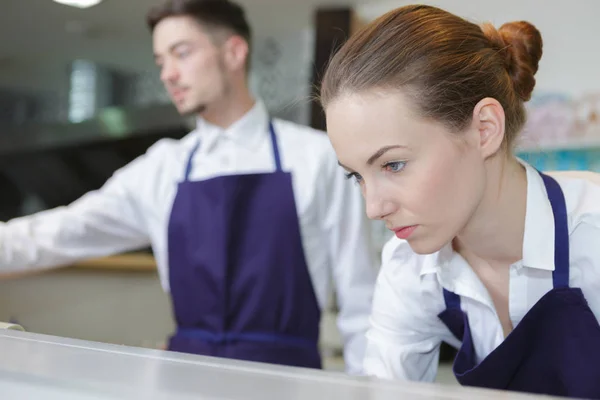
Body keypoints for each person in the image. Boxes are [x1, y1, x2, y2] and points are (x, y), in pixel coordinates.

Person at [0, 0, 378, 374]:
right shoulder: (162, 168)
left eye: (181, 53)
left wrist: (371, 389)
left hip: (288, 381)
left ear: (233, 52)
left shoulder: (318, 159)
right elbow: (58, 232)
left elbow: (361, 301)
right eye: (161, 61)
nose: (167, 74)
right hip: (183, 378)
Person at [318, 4, 600, 398]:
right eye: (356, 176)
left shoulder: (593, 233)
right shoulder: (410, 270)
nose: (373, 207)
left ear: (484, 130)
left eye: (393, 164)